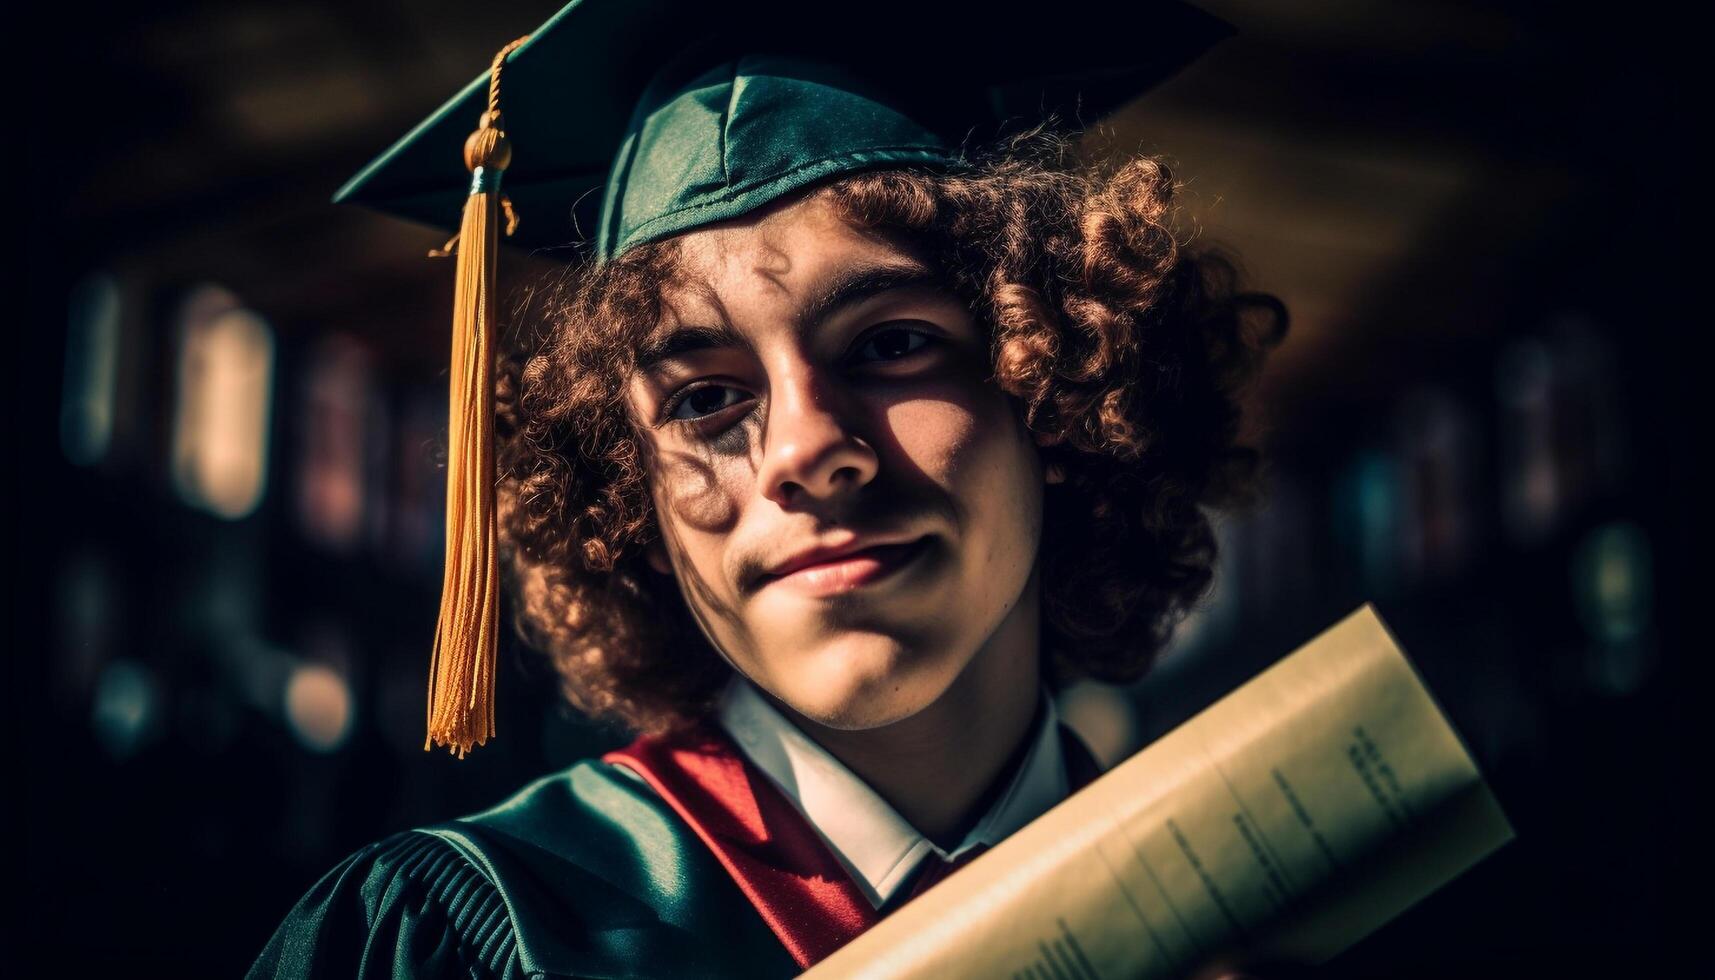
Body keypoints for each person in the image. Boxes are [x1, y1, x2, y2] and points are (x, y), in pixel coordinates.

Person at [249, 1, 1283, 976]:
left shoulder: (1268, 903)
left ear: (1051, 385)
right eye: (702, 398)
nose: (802, 445)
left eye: (890, 342)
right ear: (627, 499)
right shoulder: (472, 940)